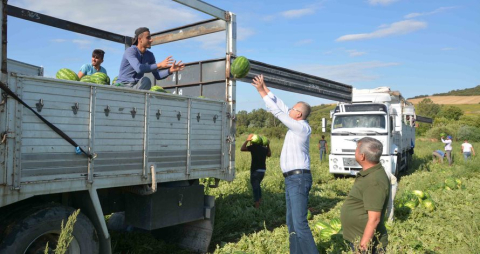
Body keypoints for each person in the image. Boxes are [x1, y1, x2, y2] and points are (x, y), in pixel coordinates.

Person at [251, 74, 318, 254]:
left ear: (299, 114)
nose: (290, 109)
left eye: (293, 109)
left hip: (299, 178)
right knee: (291, 224)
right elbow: (279, 104)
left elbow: (278, 112)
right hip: (291, 180)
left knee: (300, 224)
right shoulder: (296, 124)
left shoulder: (302, 127)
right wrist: (264, 88)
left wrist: (260, 91)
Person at [340, 137, 389, 253]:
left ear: (362, 156)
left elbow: (374, 219)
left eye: (356, 149)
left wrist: (363, 246)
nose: (354, 152)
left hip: (367, 245)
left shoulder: (374, 181)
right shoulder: (370, 175)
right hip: (358, 238)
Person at [116, 27, 185, 90]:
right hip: (123, 86)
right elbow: (139, 69)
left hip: (135, 87)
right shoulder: (130, 51)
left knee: (146, 80)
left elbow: (158, 75)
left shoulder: (150, 55)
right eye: (148, 38)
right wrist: (159, 65)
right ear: (140, 40)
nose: (151, 40)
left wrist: (170, 70)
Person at [240, 134, 271, 208]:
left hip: (255, 171)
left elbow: (242, 148)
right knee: (258, 186)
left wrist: (247, 140)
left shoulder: (253, 147)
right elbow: (269, 154)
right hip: (262, 171)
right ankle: (260, 201)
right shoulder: (264, 148)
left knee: (255, 188)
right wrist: (268, 145)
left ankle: (257, 205)